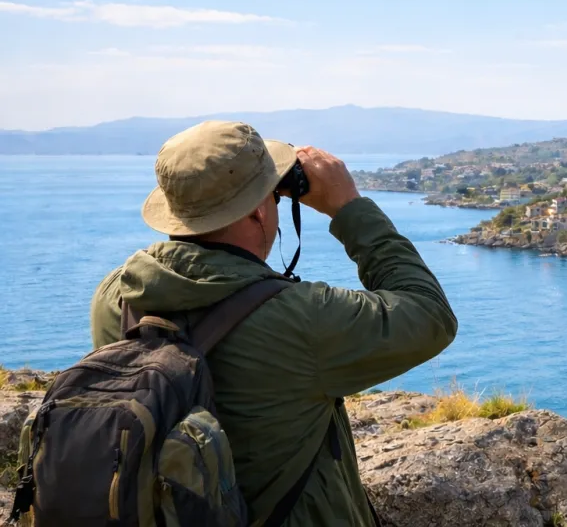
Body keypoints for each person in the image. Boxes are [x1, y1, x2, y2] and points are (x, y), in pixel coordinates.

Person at [90, 120, 458, 525]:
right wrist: (349, 207)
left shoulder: (116, 298)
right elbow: (430, 314)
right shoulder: (302, 318)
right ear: (258, 212)